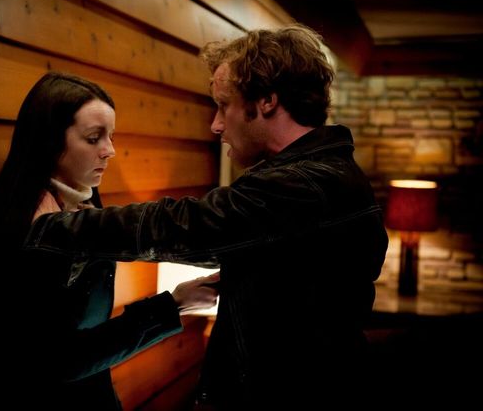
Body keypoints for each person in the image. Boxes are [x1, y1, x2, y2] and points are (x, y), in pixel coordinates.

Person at [26, 25, 388, 408]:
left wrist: (52, 228)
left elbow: (184, 225)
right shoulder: (320, 174)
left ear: (267, 101)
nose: (216, 124)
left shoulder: (304, 184)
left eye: (224, 105)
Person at [0, 71, 219, 409]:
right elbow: (59, 359)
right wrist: (173, 305)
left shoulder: (85, 204)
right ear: (50, 140)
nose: (110, 151)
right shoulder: (22, 225)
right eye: (94, 138)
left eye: (111, 136)